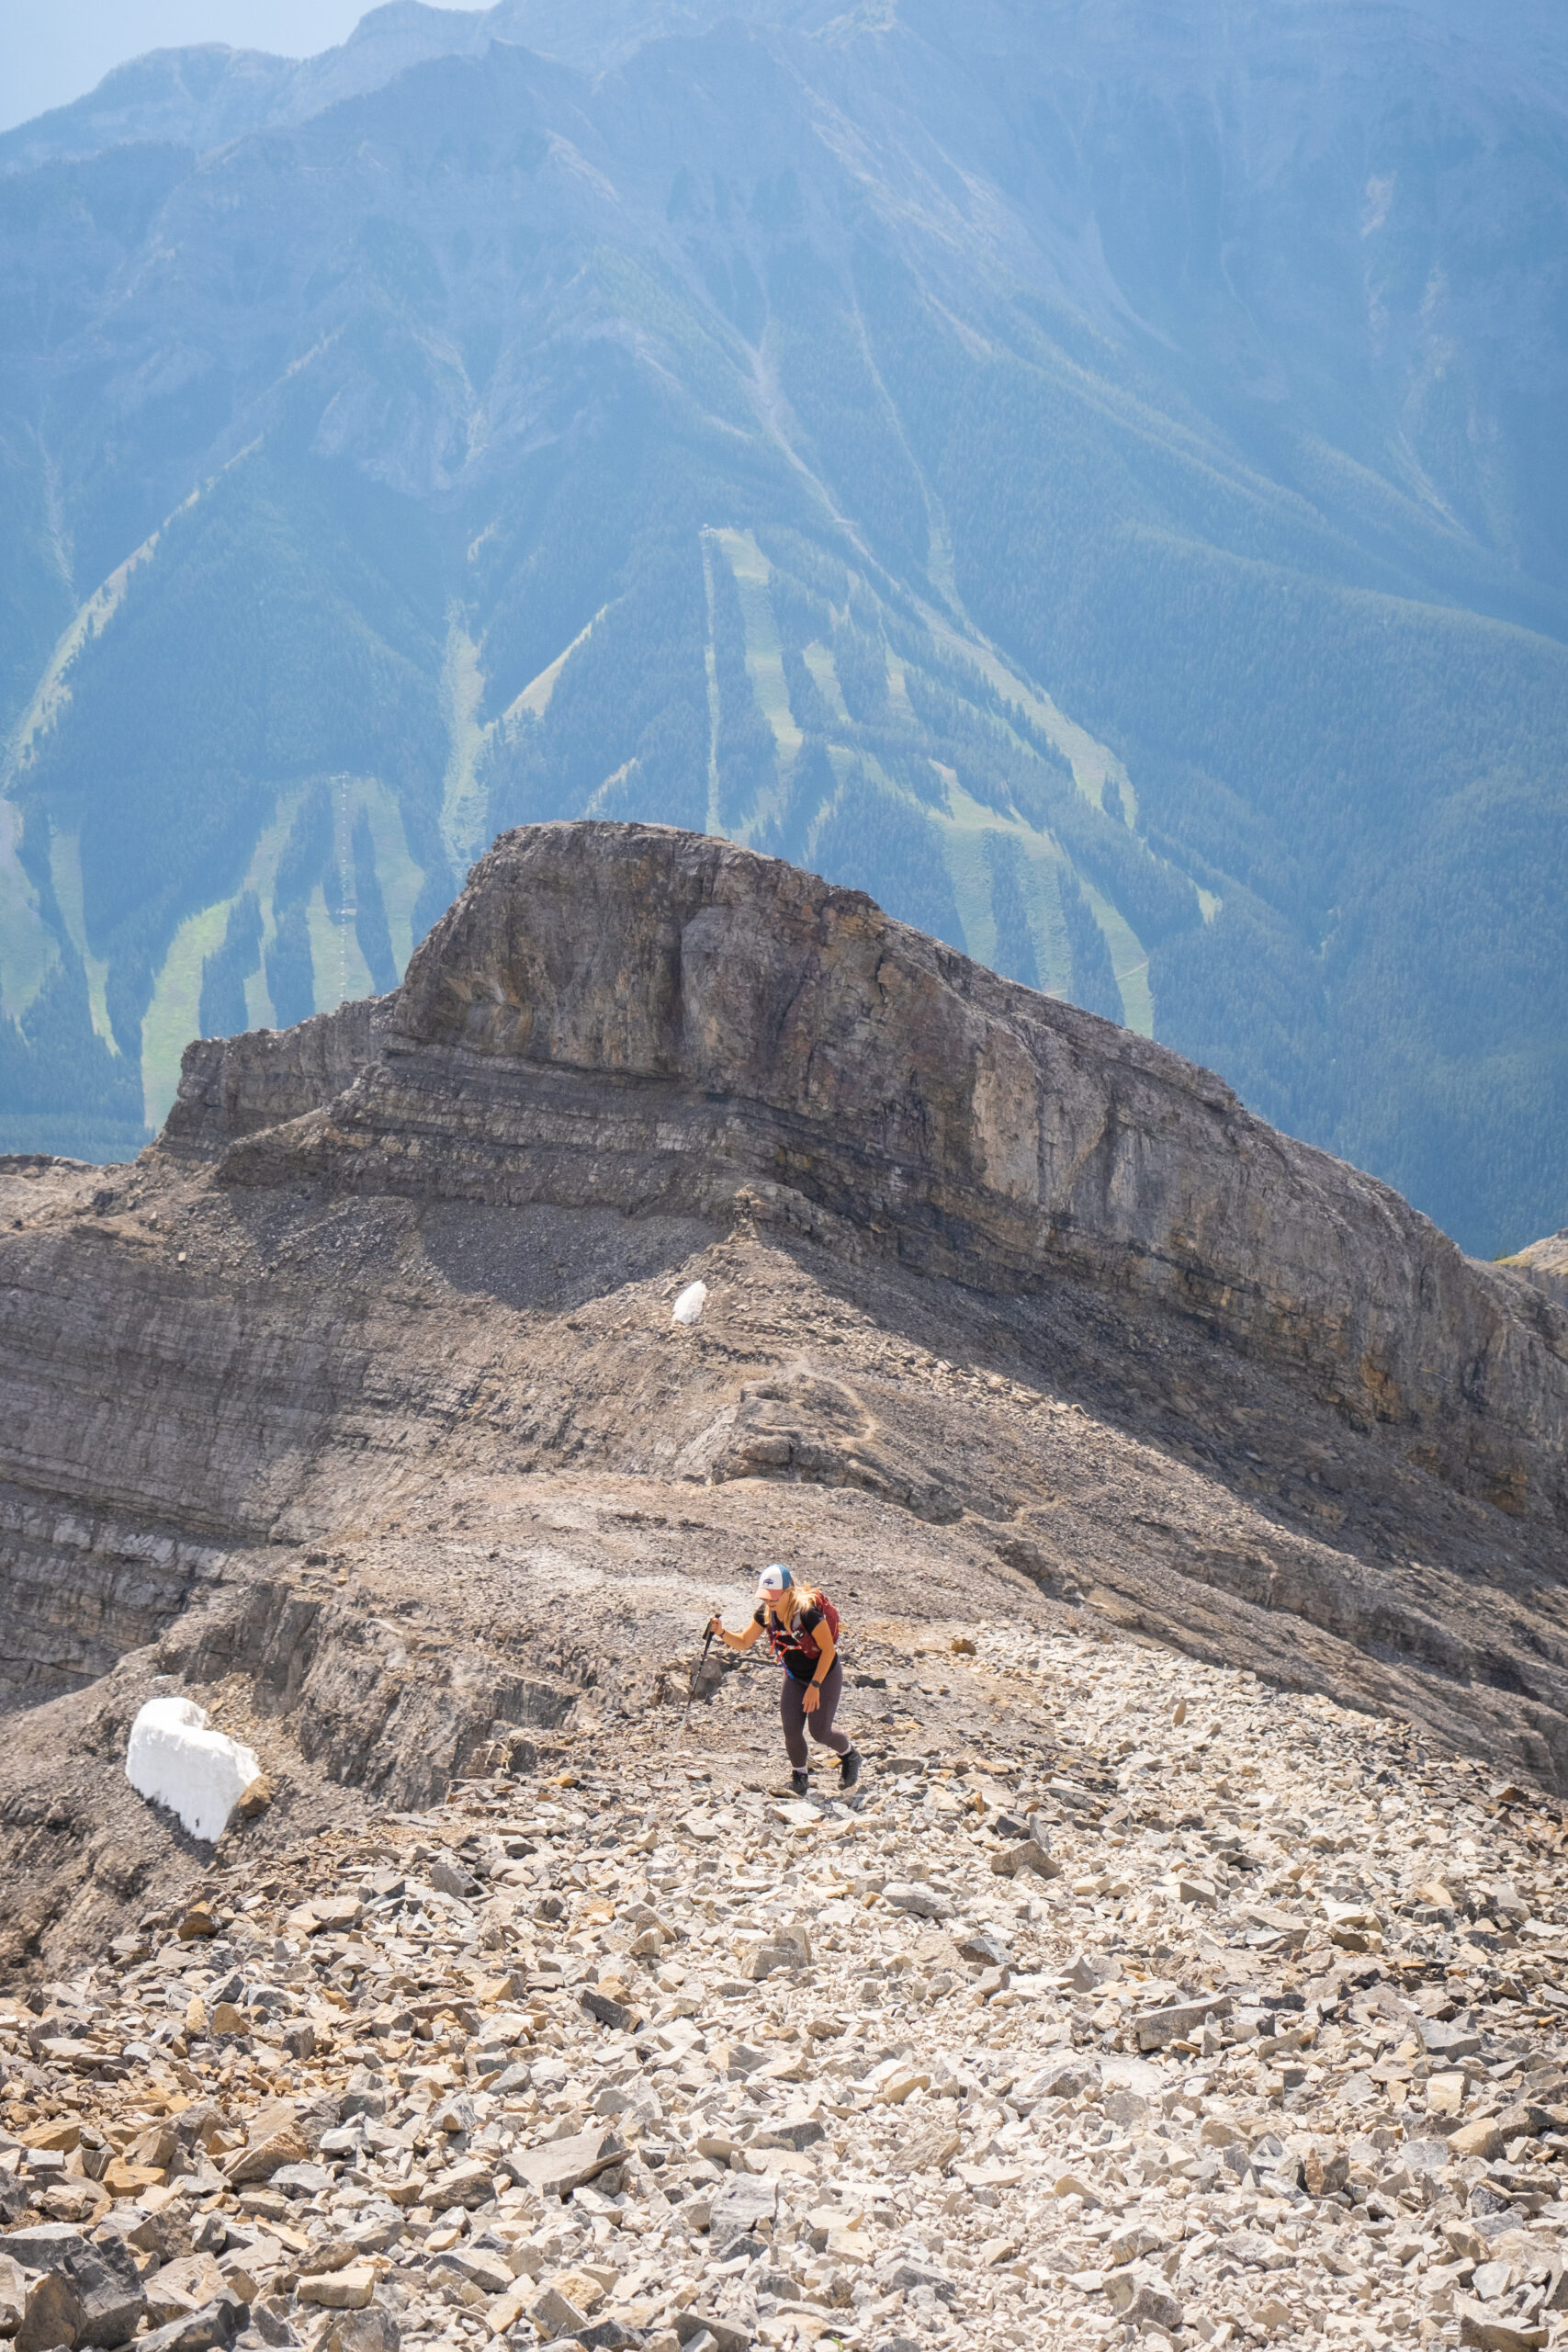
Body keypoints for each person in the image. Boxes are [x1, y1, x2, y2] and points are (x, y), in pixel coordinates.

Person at [709, 1565, 863, 1799]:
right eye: (766, 1597)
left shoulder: (808, 1614)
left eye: (774, 1597)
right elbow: (743, 1642)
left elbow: (828, 1652)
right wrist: (721, 1632)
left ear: (789, 1591)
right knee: (791, 1730)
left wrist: (815, 1687)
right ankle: (799, 1780)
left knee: (820, 1732)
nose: (769, 1602)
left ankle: (850, 1755)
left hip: (824, 1674)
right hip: (794, 1677)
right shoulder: (765, 1614)